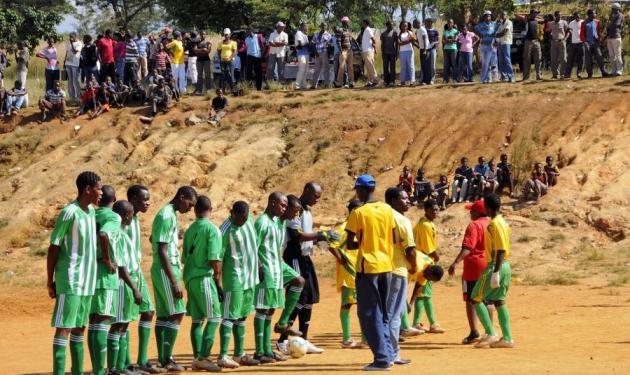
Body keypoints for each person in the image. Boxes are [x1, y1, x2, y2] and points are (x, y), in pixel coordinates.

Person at [48, 172, 101, 375]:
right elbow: (54, 246)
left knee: (79, 328)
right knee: (64, 327)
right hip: (70, 279)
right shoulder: (69, 212)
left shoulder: (92, 213)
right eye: (98, 188)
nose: (101, 193)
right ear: (87, 189)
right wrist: (50, 279)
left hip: (88, 281)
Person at [276, 184, 338, 355]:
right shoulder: (295, 209)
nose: (317, 200)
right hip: (294, 255)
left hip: (305, 257)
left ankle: (303, 339)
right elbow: (297, 236)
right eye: (316, 196)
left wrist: (325, 242)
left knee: (309, 298)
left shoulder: (308, 211)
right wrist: (321, 234)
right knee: (298, 297)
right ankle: (282, 340)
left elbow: (311, 237)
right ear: (307, 192)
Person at [345, 174, 396, 371]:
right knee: (382, 313)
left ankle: (381, 360)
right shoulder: (387, 209)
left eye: (357, 190)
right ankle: (389, 355)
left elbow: (350, 244)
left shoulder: (358, 213)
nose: (356, 194)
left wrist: (365, 242)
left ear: (362, 190)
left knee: (368, 314)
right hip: (386, 265)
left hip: (368, 268)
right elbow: (392, 236)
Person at [253, 192, 305, 363]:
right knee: (262, 310)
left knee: (271, 309)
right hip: (266, 270)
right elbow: (254, 246)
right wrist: (259, 267)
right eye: (283, 206)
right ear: (273, 202)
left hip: (277, 268)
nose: (285, 210)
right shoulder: (262, 222)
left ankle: (269, 347)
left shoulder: (277, 222)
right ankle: (259, 351)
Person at [151, 186, 198, 372]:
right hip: (166, 269)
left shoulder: (169, 213)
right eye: (190, 203)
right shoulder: (166, 215)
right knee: (177, 313)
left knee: (164, 315)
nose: (190, 208)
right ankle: (167, 358)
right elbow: (162, 250)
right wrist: (173, 281)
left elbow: (154, 241)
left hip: (164, 268)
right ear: (181, 196)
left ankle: (164, 358)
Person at [216, 201, 261, 368]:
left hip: (250, 277)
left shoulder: (248, 221)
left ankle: (239, 354)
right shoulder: (224, 230)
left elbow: (255, 246)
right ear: (231, 212)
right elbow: (217, 258)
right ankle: (222, 356)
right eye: (240, 218)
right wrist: (217, 282)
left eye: (245, 218)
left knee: (242, 316)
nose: (242, 221)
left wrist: (260, 265)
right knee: (229, 315)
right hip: (234, 278)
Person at [182, 196, 222, 372]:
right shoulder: (212, 229)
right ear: (211, 209)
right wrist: (218, 280)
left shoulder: (190, 229)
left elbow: (184, 257)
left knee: (197, 320)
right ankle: (204, 357)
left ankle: (197, 357)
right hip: (204, 278)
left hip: (190, 278)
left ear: (194, 210)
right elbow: (214, 259)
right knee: (214, 317)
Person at [125, 185, 161, 374]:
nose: (148, 202)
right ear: (132, 198)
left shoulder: (136, 219)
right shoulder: (124, 219)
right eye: (144, 198)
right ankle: (126, 363)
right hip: (126, 275)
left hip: (137, 273)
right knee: (123, 320)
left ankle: (142, 360)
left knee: (148, 311)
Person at [470, 194, 513, 348]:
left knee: (475, 297)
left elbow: (500, 249)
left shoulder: (495, 224)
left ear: (487, 208)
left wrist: (495, 272)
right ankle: (507, 338)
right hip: (505, 265)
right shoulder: (502, 222)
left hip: (496, 265)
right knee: (500, 301)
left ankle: (491, 333)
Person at [90, 188, 124, 375]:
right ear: (115, 199)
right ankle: (100, 371)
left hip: (91, 272)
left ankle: (97, 369)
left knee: (94, 321)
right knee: (103, 319)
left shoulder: (92, 214)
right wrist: (107, 258)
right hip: (105, 272)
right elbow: (104, 234)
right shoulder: (113, 217)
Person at [107, 200, 143, 375]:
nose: (131, 217)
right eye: (130, 214)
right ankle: (113, 368)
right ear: (125, 215)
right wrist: (134, 288)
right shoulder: (118, 235)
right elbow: (121, 267)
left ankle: (120, 367)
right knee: (118, 324)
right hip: (122, 284)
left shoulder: (122, 233)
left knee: (124, 325)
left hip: (127, 282)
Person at [448, 199, 490, 345]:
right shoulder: (492, 223)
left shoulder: (474, 225)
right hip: (488, 265)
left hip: (473, 267)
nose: (470, 212)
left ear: (477, 212)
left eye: (471, 210)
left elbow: (468, 248)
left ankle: (474, 332)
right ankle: (489, 332)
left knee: (471, 300)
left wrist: (455, 262)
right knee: (487, 300)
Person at [384, 187, 417, 365]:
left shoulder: (381, 217)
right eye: (404, 198)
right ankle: (391, 354)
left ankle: (384, 352)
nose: (408, 201)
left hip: (379, 270)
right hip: (397, 270)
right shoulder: (402, 220)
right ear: (393, 201)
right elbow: (410, 250)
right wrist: (414, 266)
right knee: (393, 315)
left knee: (383, 314)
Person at [328, 199, 364, 348]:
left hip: (360, 271)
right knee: (348, 305)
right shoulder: (343, 229)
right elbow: (330, 245)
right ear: (352, 211)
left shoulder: (360, 228)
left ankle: (364, 338)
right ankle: (347, 339)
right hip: (349, 273)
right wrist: (341, 259)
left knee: (362, 305)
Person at [411, 199, 445, 334]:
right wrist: (436, 257)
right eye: (433, 209)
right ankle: (430, 324)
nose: (436, 212)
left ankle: (418, 322)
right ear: (426, 210)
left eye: (437, 209)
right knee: (425, 294)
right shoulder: (425, 225)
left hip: (423, 261)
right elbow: (428, 247)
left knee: (423, 294)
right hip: (426, 263)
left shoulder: (426, 223)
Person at [582, 9, 609, 78]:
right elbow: (582, 34)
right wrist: (584, 42)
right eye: (594, 13)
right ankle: (590, 74)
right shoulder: (584, 22)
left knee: (599, 56)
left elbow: (598, 31)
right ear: (590, 14)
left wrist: (600, 39)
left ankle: (603, 72)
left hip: (596, 42)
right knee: (588, 59)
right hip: (587, 43)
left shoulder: (597, 22)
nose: (595, 15)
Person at [474, 11, 496, 84]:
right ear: (484, 17)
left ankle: (491, 79)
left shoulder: (494, 24)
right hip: (483, 46)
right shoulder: (480, 25)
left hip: (492, 46)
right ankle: (484, 79)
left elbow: (498, 31)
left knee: (492, 63)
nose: (488, 17)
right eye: (486, 16)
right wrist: (479, 34)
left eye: (489, 16)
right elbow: (475, 28)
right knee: (485, 63)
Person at [522, 8, 543, 81]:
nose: (536, 14)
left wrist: (536, 16)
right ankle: (526, 77)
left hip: (536, 41)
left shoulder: (537, 21)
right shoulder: (527, 20)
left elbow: (542, 19)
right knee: (527, 59)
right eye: (535, 13)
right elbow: (517, 15)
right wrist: (527, 15)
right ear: (531, 14)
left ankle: (539, 75)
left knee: (538, 59)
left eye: (537, 13)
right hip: (528, 42)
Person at [335, 16, 355, 88]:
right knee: (342, 67)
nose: (348, 22)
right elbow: (338, 41)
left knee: (350, 67)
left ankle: (351, 82)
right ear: (344, 22)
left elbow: (350, 41)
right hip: (343, 51)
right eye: (347, 21)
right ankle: (339, 83)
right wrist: (341, 51)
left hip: (350, 51)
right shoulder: (340, 30)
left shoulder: (349, 31)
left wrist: (351, 49)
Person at [312, 22, 332, 89]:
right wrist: (315, 52)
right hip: (317, 53)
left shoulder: (329, 35)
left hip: (324, 53)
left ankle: (326, 85)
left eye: (325, 26)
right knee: (317, 69)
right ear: (320, 26)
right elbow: (313, 44)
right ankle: (314, 85)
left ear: (326, 27)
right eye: (322, 26)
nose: (323, 27)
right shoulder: (316, 34)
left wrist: (328, 54)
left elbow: (329, 46)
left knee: (326, 69)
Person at [565, 12, 585, 79]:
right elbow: (569, 30)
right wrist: (571, 33)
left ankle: (579, 73)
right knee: (570, 59)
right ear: (574, 16)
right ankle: (567, 74)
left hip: (581, 43)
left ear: (580, 16)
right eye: (576, 16)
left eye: (578, 16)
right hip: (573, 43)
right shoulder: (571, 23)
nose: (577, 17)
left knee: (580, 59)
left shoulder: (583, 22)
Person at [64, 32, 83, 102]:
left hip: (75, 65)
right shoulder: (67, 43)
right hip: (68, 64)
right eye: (70, 36)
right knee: (70, 81)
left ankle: (78, 96)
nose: (70, 38)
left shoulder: (79, 43)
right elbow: (67, 52)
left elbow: (75, 52)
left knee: (75, 81)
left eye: (72, 36)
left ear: (75, 36)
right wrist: (64, 61)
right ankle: (72, 97)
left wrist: (72, 43)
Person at [495, 11, 514, 82]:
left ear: (507, 15)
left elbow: (504, 32)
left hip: (506, 42)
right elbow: (497, 32)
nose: (503, 16)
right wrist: (498, 34)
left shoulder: (509, 22)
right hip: (500, 43)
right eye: (502, 14)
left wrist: (498, 35)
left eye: (504, 14)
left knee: (507, 59)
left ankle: (511, 76)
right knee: (501, 60)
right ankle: (504, 76)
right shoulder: (500, 24)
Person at [607, 3, 624, 77]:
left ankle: (619, 70)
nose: (611, 9)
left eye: (612, 8)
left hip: (616, 37)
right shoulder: (613, 16)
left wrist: (609, 26)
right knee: (611, 55)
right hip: (610, 37)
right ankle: (614, 70)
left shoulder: (619, 15)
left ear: (615, 9)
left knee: (617, 54)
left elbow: (616, 25)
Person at [550, 11, 569, 79]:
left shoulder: (564, 22)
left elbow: (568, 32)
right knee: (553, 59)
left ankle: (562, 74)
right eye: (558, 15)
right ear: (555, 16)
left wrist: (565, 39)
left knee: (563, 59)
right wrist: (551, 38)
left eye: (560, 15)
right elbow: (549, 32)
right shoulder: (551, 23)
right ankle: (555, 74)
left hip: (561, 42)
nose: (559, 16)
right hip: (554, 42)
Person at [360, 19, 378, 87]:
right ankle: (370, 81)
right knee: (368, 67)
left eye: (363, 23)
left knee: (370, 66)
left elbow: (373, 39)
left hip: (368, 51)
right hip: (365, 51)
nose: (362, 24)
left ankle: (375, 80)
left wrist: (375, 48)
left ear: (365, 23)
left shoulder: (368, 29)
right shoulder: (365, 30)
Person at [380, 21, 398, 87]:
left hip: (392, 53)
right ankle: (386, 81)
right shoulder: (383, 34)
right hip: (385, 53)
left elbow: (397, 43)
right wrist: (382, 52)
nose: (392, 26)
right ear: (387, 26)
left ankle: (392, 81)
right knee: (385, 67)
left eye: (393, 25)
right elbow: (382, 44)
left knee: (392, 67)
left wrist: (397, 52)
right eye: (391, 25)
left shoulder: (395, 33)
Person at [398, 21, 416, 86]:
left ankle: (412, 80)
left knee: (411, 66)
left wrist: (408, 41)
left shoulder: (410, 32)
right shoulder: (399, 34)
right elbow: (399, 43)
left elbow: (414, 40)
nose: (404, 27)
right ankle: (403, 81)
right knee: (403, 67)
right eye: (403, 25)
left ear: (407, 26)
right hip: (402, 52)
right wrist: (409, 40)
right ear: (401, 26)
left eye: (406, 25)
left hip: (410, 51)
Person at [294, 22, 310, 90]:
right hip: (301, 54)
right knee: (302, 69)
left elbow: (307, 45)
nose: (307, 28)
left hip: (306, 53)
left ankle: (303, 85)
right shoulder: (298, 33)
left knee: (306, 70)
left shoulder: (305, 35)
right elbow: (300, 44)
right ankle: (297, 85)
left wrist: (308, 44)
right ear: (302, 27)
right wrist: (307, 44)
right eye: (306, 26)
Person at [442, 19, 459, 84]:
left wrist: (448, 40)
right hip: (446, 49)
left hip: (453, 49)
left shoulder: (456, 31)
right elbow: (443, 41)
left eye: (451, 23)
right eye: (448, 23)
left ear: (453, 24)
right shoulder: (445, 31)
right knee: (446, 65)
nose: (449, 24)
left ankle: (455, 79)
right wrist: (449, 40)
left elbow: (456, 40)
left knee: (454, 65)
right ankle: (445, 80)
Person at [425, 18, 439, 84]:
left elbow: (438, 41)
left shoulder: (435, 31)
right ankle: (427, 79)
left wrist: (435, 45)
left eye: (430, 22)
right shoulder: (425, 31)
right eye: (427, 22)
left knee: (432, 65)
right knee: (427, 65)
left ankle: (432, 78)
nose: (429, 23)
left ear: (431, 23)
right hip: (426, 49)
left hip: (433, 49)